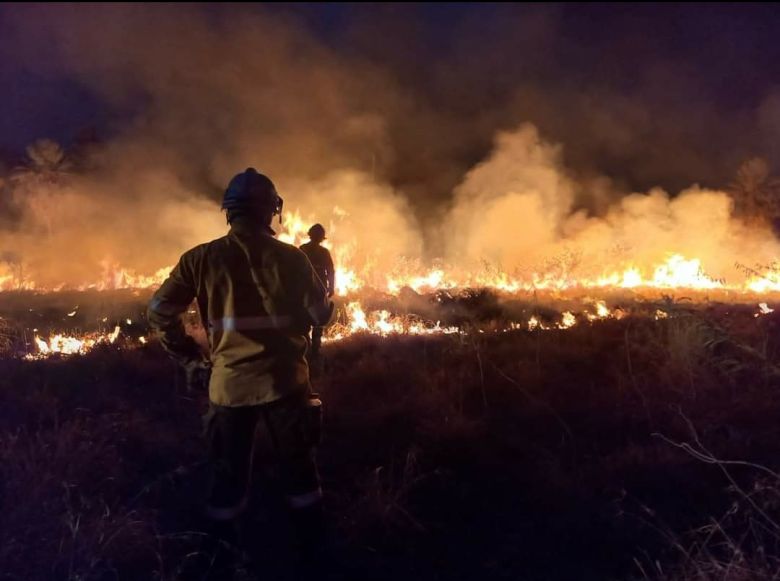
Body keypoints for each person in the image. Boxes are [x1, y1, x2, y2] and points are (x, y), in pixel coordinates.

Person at [147, 168, 333, 548]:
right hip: (286, 384)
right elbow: (319, 315)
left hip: (228, 386)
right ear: (272, 211)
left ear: (228, 212)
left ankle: (222, 556)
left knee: (227, 476)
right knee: (300, 474)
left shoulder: (199, 259)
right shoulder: (292, 259)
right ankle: (312, 553)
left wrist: (190, 359)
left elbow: (159, 311)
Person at [299, 224, 335, 359]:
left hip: (308, 290)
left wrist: (331, 286)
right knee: (317, 319)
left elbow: (330, 271)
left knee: (308, 318)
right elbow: (330, 271)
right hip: (317, 290)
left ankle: (310, 349)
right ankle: (314, 348)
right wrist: (331, 287)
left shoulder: (303, 249)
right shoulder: (321, 252)